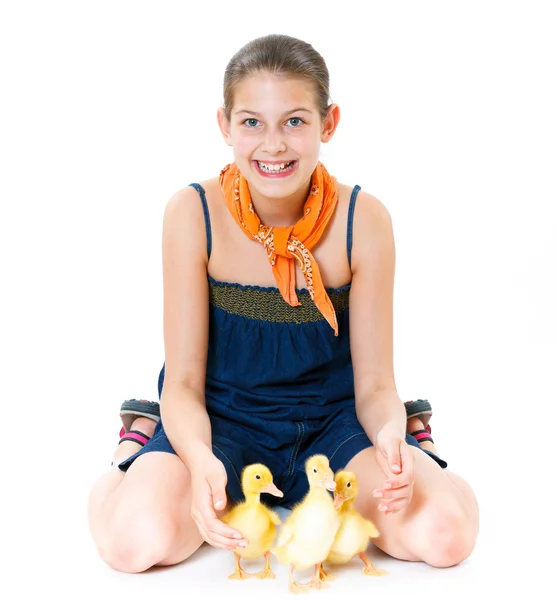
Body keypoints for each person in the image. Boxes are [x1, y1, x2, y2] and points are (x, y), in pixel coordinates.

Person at [87, 33, 479, 574]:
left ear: (329, 123)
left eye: (294, 120)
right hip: (219, 423)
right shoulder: (192, 214)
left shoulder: (363, 221)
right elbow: (181, 383)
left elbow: (376, 386)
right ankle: (133, 449)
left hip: (335, 426)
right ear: (224, 126)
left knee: (446, 536)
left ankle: (414, 439)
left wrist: (387, 435)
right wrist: (198, 459)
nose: (273, 144)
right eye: (252, 122)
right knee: (135, 544)